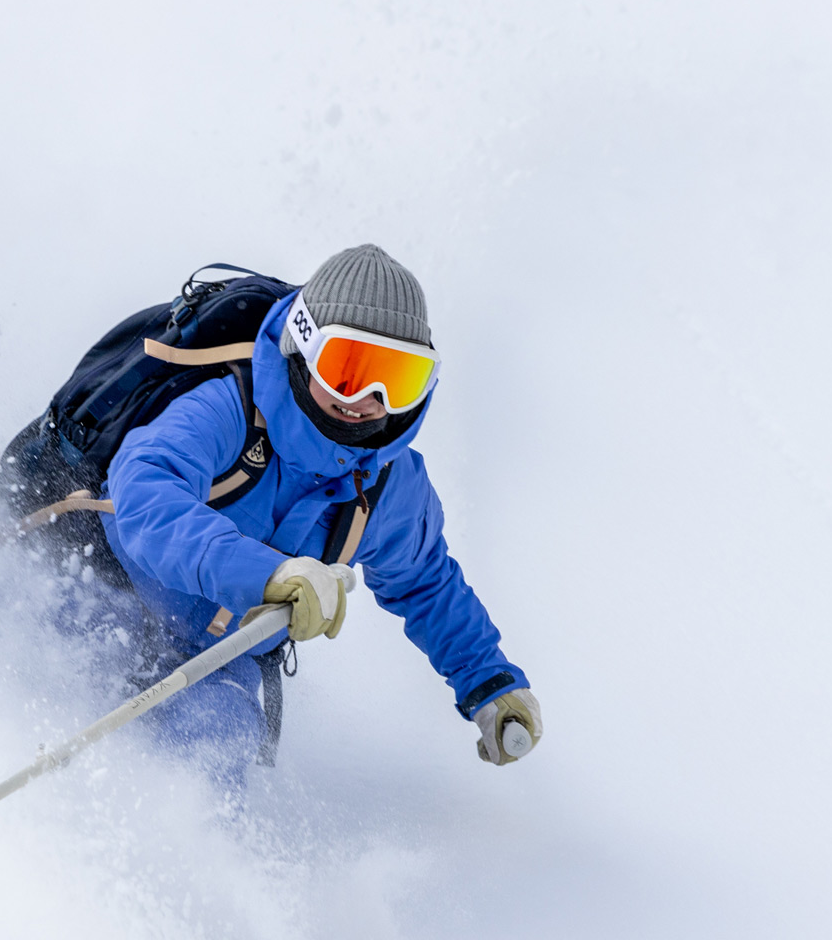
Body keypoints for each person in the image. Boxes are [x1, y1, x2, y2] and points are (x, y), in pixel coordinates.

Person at [52, 244, 540, 787]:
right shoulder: (228, 408)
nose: (368, 400)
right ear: (303, 349)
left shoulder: (386, 482)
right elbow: (147, 496)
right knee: (67, 696)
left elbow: (424, 582)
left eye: (397, 378)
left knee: (213, 756)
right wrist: (267, 574)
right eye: (347, 370)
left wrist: (489, 682)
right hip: (101, 581)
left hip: (216, 654)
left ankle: (203, 867)